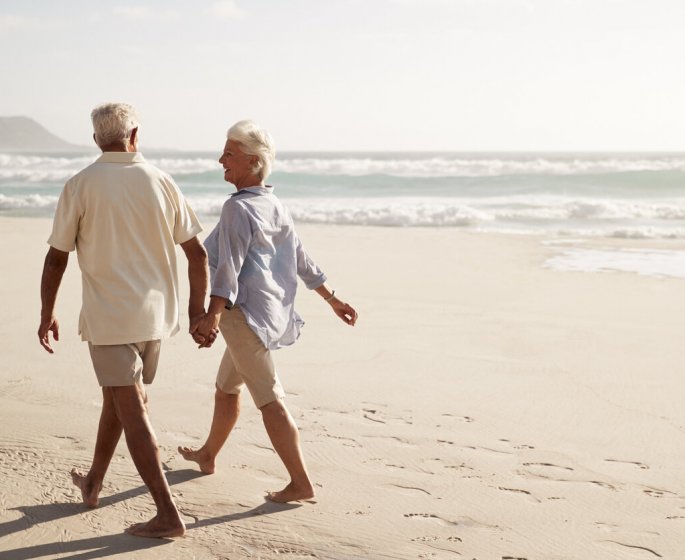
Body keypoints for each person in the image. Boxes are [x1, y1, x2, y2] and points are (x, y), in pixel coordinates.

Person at [38, 102, 216, 538]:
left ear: (96, 140)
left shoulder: (80, 184)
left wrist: (47, 312)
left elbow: (56, 258)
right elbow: (197, 254)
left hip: (110, 319)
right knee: (118, 402)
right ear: (135, 135)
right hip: (156, 319)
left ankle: (167, 514)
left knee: (131, 408)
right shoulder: (162, 181)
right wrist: (196, 312)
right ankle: (94, 484)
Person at [179, 120, 358, 503]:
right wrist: (332, 298)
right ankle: (208, 454)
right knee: (226, 388)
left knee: (269, 398)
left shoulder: (237, 209)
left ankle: (300, 482)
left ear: (253, 161)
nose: (220, 160)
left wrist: (211, 315)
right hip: (259, 313)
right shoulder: (274, 203)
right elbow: (300, 259)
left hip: (241, 315)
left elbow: (228, 268)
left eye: (229, 154)